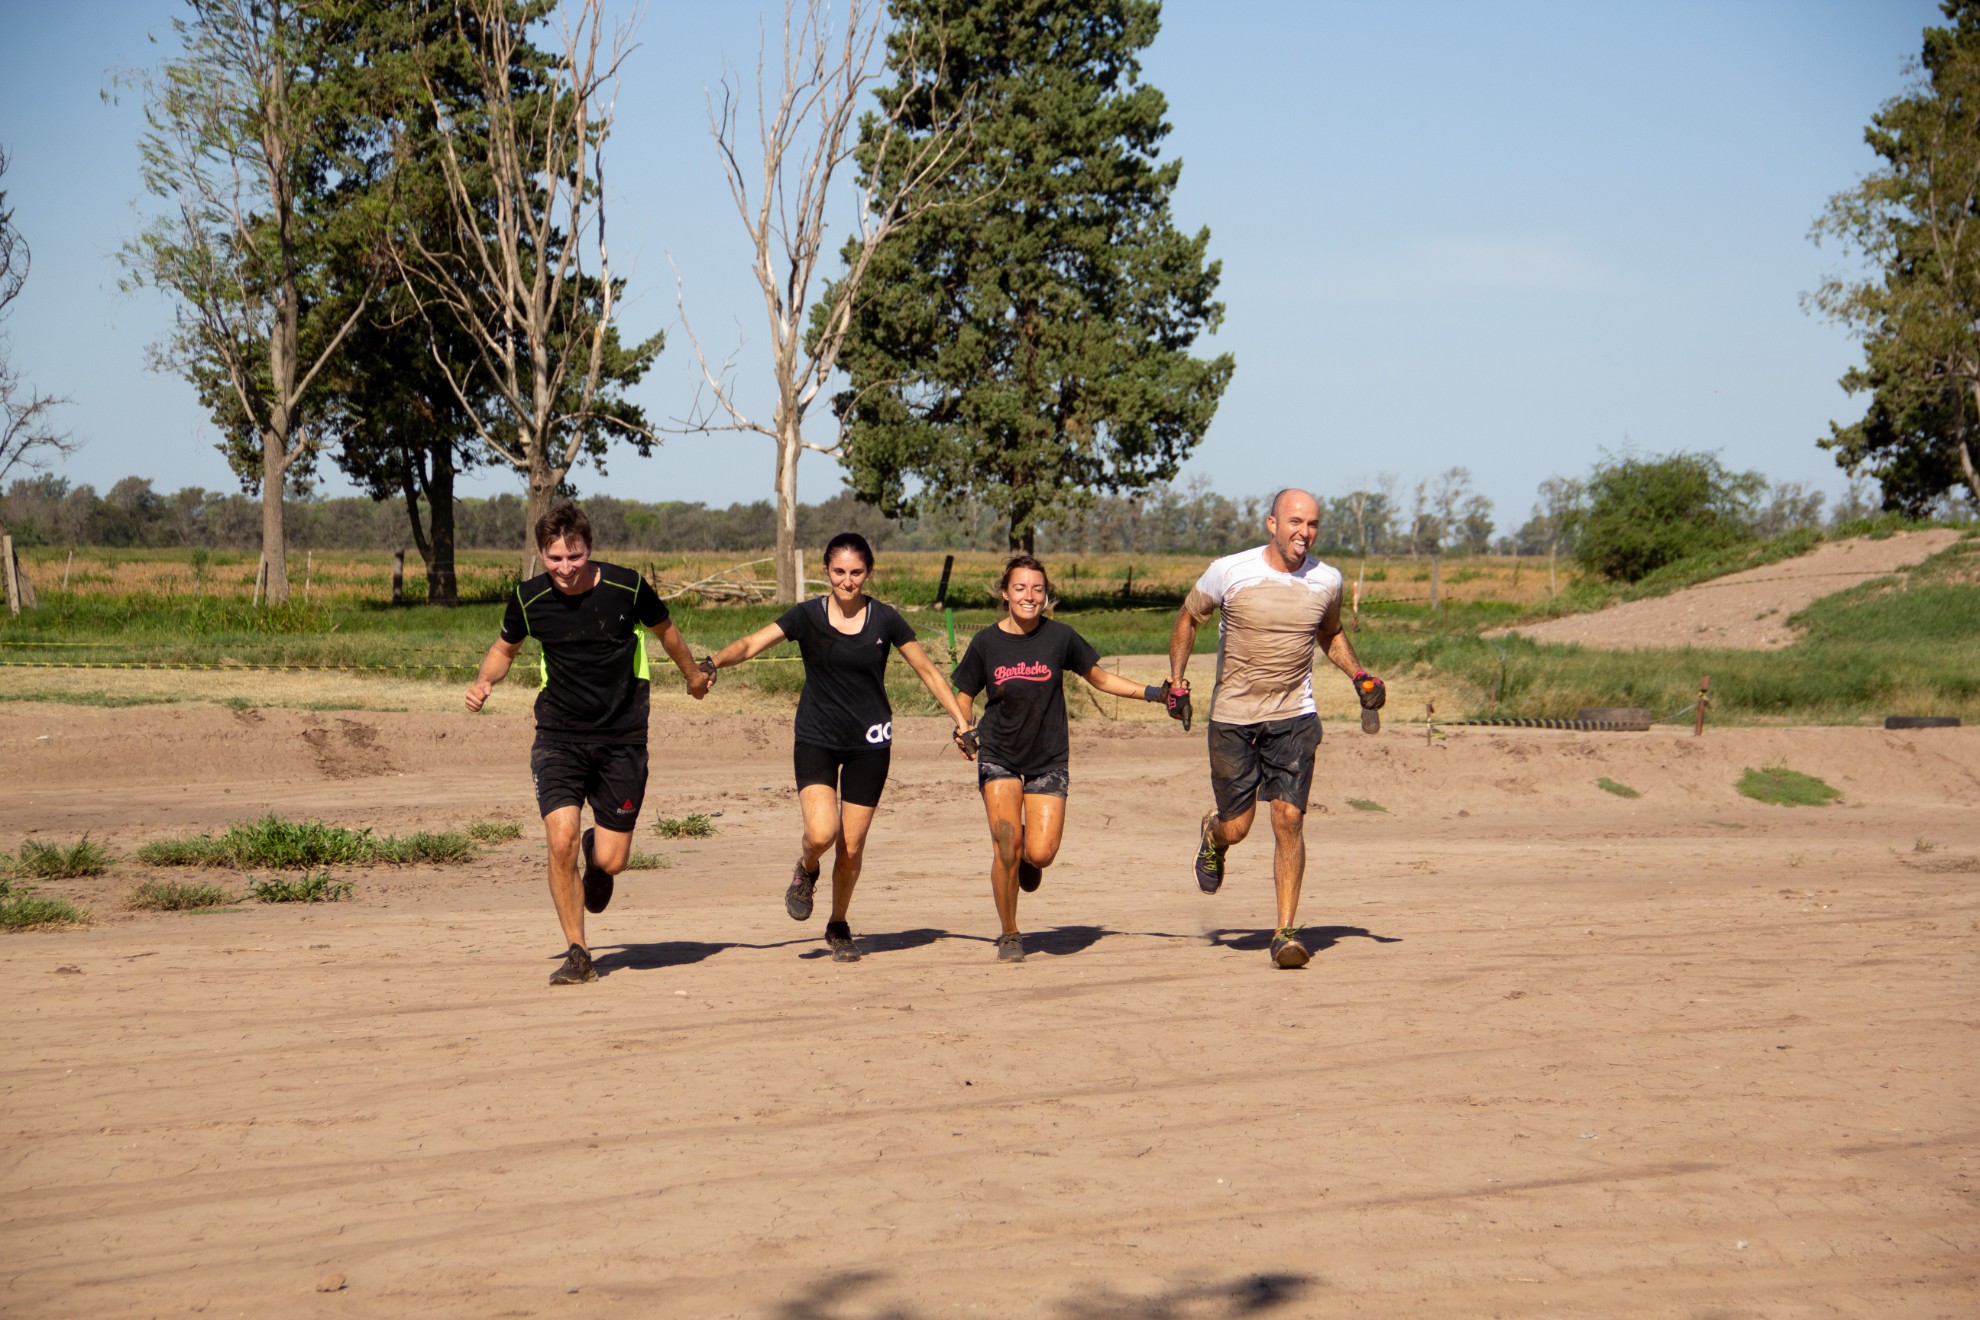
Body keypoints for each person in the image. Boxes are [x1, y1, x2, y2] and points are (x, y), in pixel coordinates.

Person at [465, 502, 710, 986]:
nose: (565, 568)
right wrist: (484, 682)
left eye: (573, 557)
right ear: (541, 554)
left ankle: (599, 856)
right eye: (554, 558)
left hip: (622, 737)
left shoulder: (627, 586)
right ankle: (579, 952)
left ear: (588, 549)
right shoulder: (529, 598)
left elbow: (668, 633)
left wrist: (693, 677)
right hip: (559, 735)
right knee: (561, 840)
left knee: (611, 860)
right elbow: (503, 648)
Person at [702, 533, 972, 962]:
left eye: (857, 572)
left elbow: (929, 673)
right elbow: (753, 643)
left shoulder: (886, 619)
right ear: (827, 571)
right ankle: (807, 867)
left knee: (851, 844)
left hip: (870, 744)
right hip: (817, 738)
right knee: (822, 833)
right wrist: (713, 663)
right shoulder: (806, 616)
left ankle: (838, 924)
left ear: (869, 573)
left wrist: (962, 722)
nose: (848, 581)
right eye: (839, 572)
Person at [1165, 489, 1386, 969]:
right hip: (1233, 715)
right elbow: (1188, 618)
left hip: (1294, 715)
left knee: (1288, 818)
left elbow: (1330, 633)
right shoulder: (1230, 570)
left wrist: (1357, 674)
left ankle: (1285, 932)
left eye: (1312, 524)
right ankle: (1213, 834)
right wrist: (1178, 681)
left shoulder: (1327, 580)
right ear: (1271, 523)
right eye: (1295, 521)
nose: (1304, 532)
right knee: (1238, 827)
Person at [951, 554, 1185, 963]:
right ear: (1005, 594)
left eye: (1037, 589)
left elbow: (1101, 677)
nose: (1029, 596)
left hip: (1048, 757)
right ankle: (1009, 933)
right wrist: (962, 724)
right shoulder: (986, 643)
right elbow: (964, 694)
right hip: (999, 753)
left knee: (1039, 853)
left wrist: (1155, 693)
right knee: (1005, 845)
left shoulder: (1061, 638)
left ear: (1046, 595)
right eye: (1020, 588)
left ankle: (1028, 857)